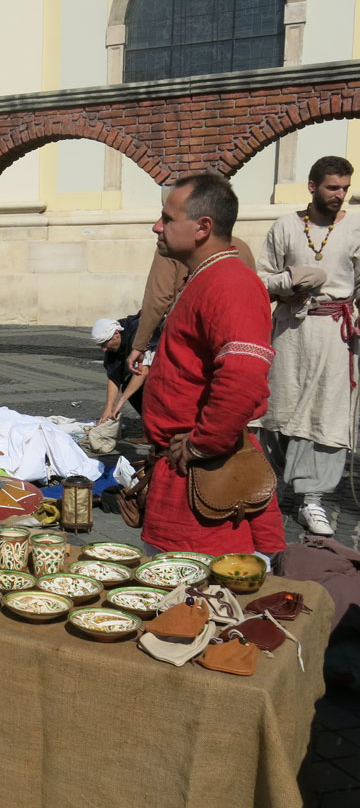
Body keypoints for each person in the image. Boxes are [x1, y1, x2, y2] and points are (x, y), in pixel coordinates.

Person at [141, 172, 285, 558]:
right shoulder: (204, 277)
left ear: (203, 227)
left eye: (167, 219)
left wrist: (203, 444)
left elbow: (244, 376)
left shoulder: (231, 283)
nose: (157, 227)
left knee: (204, 589)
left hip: (208, 477)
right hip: (183, 472)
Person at [257, 155, 360, 537]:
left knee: (326, 415)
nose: (339, 194)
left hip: (335, 335)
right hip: (289, 331)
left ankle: (311, 498)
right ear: (313, 186)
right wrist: (290, 282)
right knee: (276, 411)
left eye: (345, 188)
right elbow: (262, 279)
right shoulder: (285, 226)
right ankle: (273, 486)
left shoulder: (356, 227)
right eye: (333, 187)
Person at [125, 238, 257, 376]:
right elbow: (253, 296)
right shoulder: (241, 247)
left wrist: (139, 345)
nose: (158, 228)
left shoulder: (172, 244)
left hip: (187, 343)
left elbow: (157, 299)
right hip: (237, 343)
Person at [92, 314, 146, 424]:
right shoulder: (111, 345)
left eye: (104, 344)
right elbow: (114, 377)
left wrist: (121, 401)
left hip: (164, 367)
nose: (104, 349)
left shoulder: (136, 333)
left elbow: (143, 370)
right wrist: (108, 409)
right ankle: (150, 422)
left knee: (142, 387)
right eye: (100, 346)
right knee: (129, 386)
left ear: (116, 334)